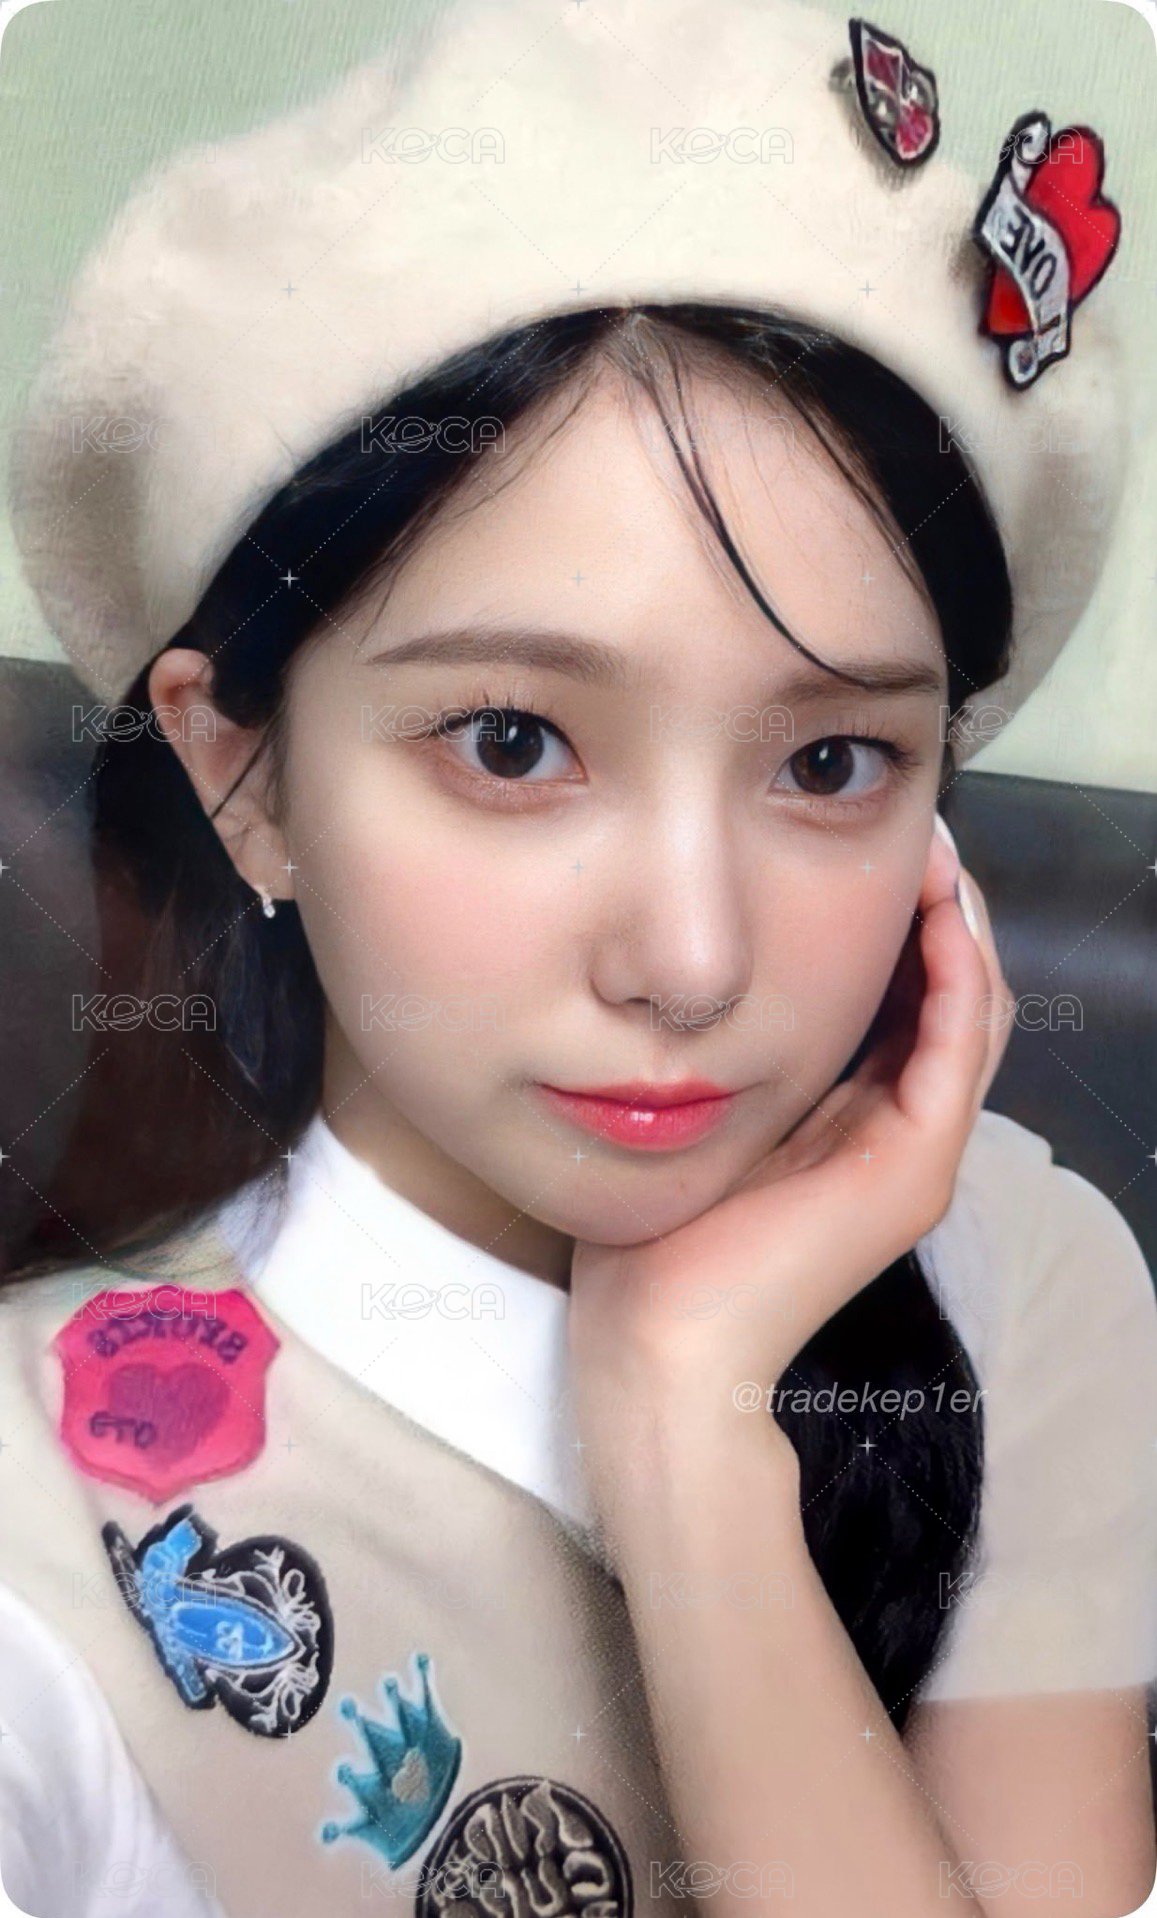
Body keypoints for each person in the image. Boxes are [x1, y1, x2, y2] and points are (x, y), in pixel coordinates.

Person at [1, 2, 1154, 1914]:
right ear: (243, 777)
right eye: (514, 740)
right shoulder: (48, 1505)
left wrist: (690, 1425)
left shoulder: (1022, 1275)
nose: (691, 961)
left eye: (830, 762)